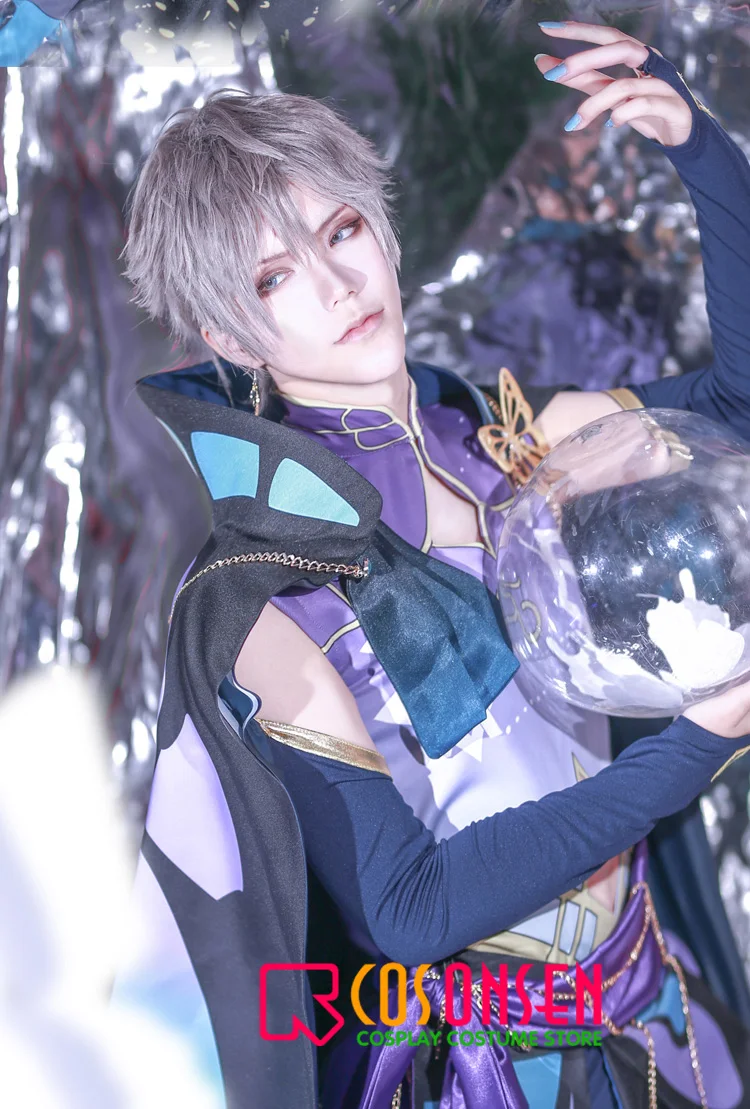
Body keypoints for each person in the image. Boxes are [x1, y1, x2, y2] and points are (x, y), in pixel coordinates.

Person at [119, 20, 750, 1109]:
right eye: (274, 277)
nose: (336, 283)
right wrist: (698, 743)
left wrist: (703, 153)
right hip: (495, 1065)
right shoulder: (268, 593)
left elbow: (735, 409)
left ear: (383, 226)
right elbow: (406, 909)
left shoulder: (511, 440)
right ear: (229, 334)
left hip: (657, 1002)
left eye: (343, 227)